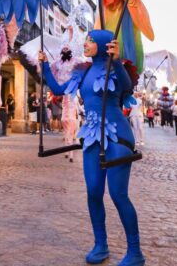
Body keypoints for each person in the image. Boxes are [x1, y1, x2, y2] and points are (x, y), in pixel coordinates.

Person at [40, 31, 144, 266]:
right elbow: (58, 90)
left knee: (119, 195)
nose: (85, 44)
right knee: (93, 193)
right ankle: (100, 245)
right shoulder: (82, 70)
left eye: (89, 41)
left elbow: (126, 88)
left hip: (118, 137)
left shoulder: (116, 68)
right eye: (85, 40)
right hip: (91, 137)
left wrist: (116, 60)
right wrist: (44, 66)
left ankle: (135, 252)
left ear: (101, 44)